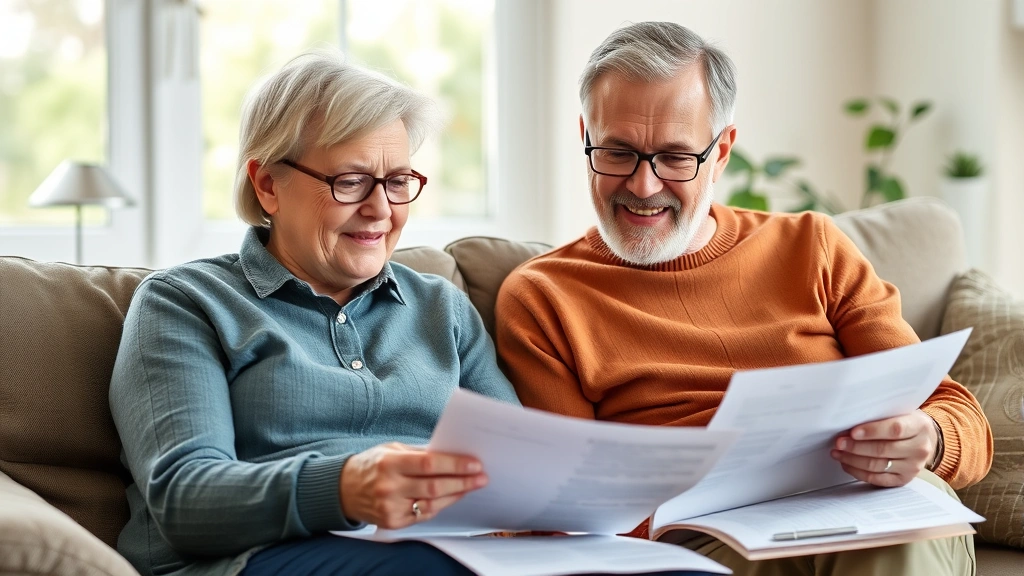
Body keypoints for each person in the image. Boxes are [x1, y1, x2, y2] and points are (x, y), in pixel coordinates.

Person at [110, 50, 720, 576]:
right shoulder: (186, 303)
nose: (381, 210)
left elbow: (520, 468)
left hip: (448, 552)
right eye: (350, 182)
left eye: (398, 181)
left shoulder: (439, 308)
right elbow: (183, 499)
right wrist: (346, 486)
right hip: (261, 557)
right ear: (268, 184)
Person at [495, 21, 993, 576]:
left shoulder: (812, 246)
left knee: (903, 534)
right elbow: (569, 511)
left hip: (862, 507)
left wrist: (927, 438)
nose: (642, 185)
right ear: (585, 135)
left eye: (676, 157)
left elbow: (960, 418)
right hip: (702, 545)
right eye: (618, 152)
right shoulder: (543, 297)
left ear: (723, 150)